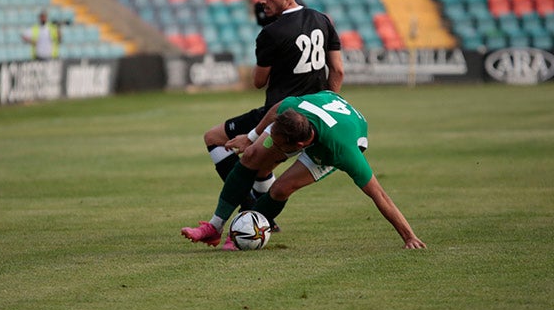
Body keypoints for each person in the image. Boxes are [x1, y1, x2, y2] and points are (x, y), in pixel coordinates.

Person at [182, 90, 427, 250]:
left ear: (298, 146)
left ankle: (240, 234)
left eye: (277, 145)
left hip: (342, 136)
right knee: (252, 154)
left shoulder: (342, 151)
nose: (272, 147)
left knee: (281, 188)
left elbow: (378, 194)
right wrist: (252, 136)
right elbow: (278, 106)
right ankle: (214, 228)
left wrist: (409, 236)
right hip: (322, 108)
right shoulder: (291, 111)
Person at [201, 0, 343, 237]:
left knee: (214, 138)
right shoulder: (323, 20)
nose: (262, 1)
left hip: (279, 113)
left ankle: (250, 211)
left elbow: (258, 81)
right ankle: (267, 220)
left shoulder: (272, 32)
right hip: (314, 113)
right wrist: (327, 104)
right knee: (264, 166)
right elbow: (337, 71)